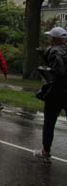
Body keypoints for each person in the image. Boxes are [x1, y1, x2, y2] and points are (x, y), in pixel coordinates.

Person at [34, 27, 67, 162]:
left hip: (57, 91)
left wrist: (49, 73)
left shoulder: (54, 51)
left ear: (54, 39)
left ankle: (45, 152)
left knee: (49, 122)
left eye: (50, 37)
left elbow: (58, 71)